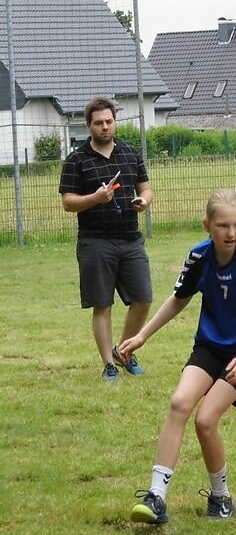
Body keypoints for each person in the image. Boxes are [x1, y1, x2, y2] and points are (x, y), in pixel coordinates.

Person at [123, 189, 236, 524]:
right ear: (206, 225)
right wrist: (141, 336)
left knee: (205, 420)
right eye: (223, 225)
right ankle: (156, 497)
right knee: (180, 402)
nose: (231, 233)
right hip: (211, 345)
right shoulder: (199, 257)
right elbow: (178, 298)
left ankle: (221, 496)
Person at [58, 96, 155, 381]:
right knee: (102, 305)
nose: (104, 127)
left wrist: (144, 201)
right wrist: (96, 198)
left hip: (130, 238)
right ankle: (108, 365)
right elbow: (68, 202)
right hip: (95, 241)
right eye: (98, 123)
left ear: (115, 122)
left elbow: (147, 189)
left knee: (143, 299)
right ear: (88, 125)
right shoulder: (76, 160)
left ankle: (122, 351)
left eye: (109, 122)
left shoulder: (130, 153)